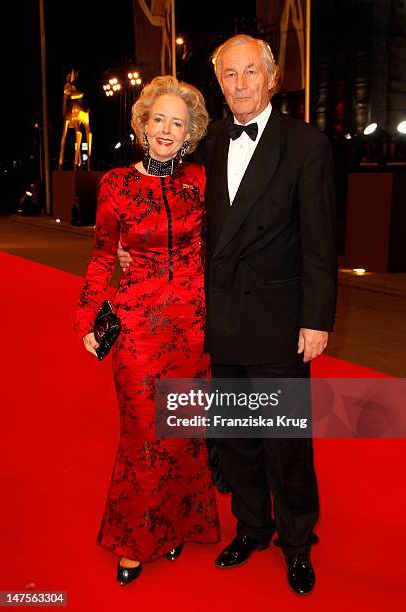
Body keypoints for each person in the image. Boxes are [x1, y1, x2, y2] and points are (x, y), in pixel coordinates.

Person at [118, 34, 337, 595]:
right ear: (220, 84)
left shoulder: (306, 144)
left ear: (271, 78)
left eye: (249, 73)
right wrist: (129, 242)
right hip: (217, 316)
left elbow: (319, 242)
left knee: (285, 441)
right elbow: (160, 184)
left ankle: (296, 542)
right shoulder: (209, 140)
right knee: (237, 435)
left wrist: (317, 319)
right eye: (230, 75)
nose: (240, 85)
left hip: (280, 318)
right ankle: (252, 527)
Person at [75, 75, 220, 586]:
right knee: (142, 432)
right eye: (158, 118)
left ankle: (175, 524)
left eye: (177, 122)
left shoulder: (202, 181)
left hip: (194, 324)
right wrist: (87, 315)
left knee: (181, 432)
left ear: (190, 132)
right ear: (143, 123)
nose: (166, 129)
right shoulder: (115, 183)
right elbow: (100, 259)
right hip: (137, 324)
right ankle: (134, 540)